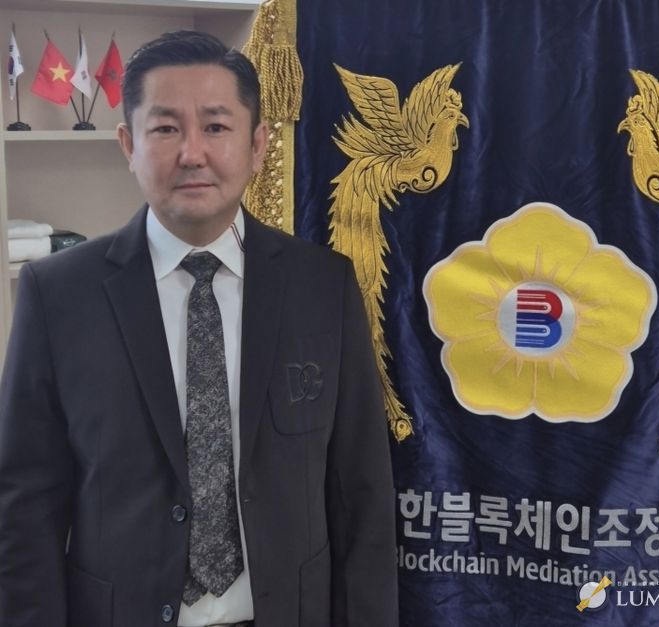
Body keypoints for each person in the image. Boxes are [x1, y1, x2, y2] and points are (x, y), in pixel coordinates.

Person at [0, 31, 398, 627]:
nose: (192, 152)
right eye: (165, 129)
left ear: (258, 145)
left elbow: (360, 493)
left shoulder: (324, 287)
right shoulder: (57, 294)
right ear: (128, 144)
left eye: (216, 126)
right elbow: (25, 506)